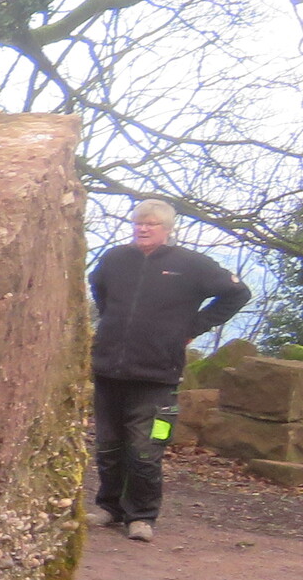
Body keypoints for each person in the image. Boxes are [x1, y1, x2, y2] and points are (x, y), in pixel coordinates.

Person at [87, 199, 249, 541]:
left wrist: (193, 328)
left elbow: (237, 294)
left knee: (146, 449)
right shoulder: (115, 259)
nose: (143, 229)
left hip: (157, 374)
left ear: (168, 229)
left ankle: (142, 516)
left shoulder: (191, 264)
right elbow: (97, 286)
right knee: (108, 446)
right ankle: (109, 507)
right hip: (109, 368)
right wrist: (111, 322)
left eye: (151, 224)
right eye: (139, 223)